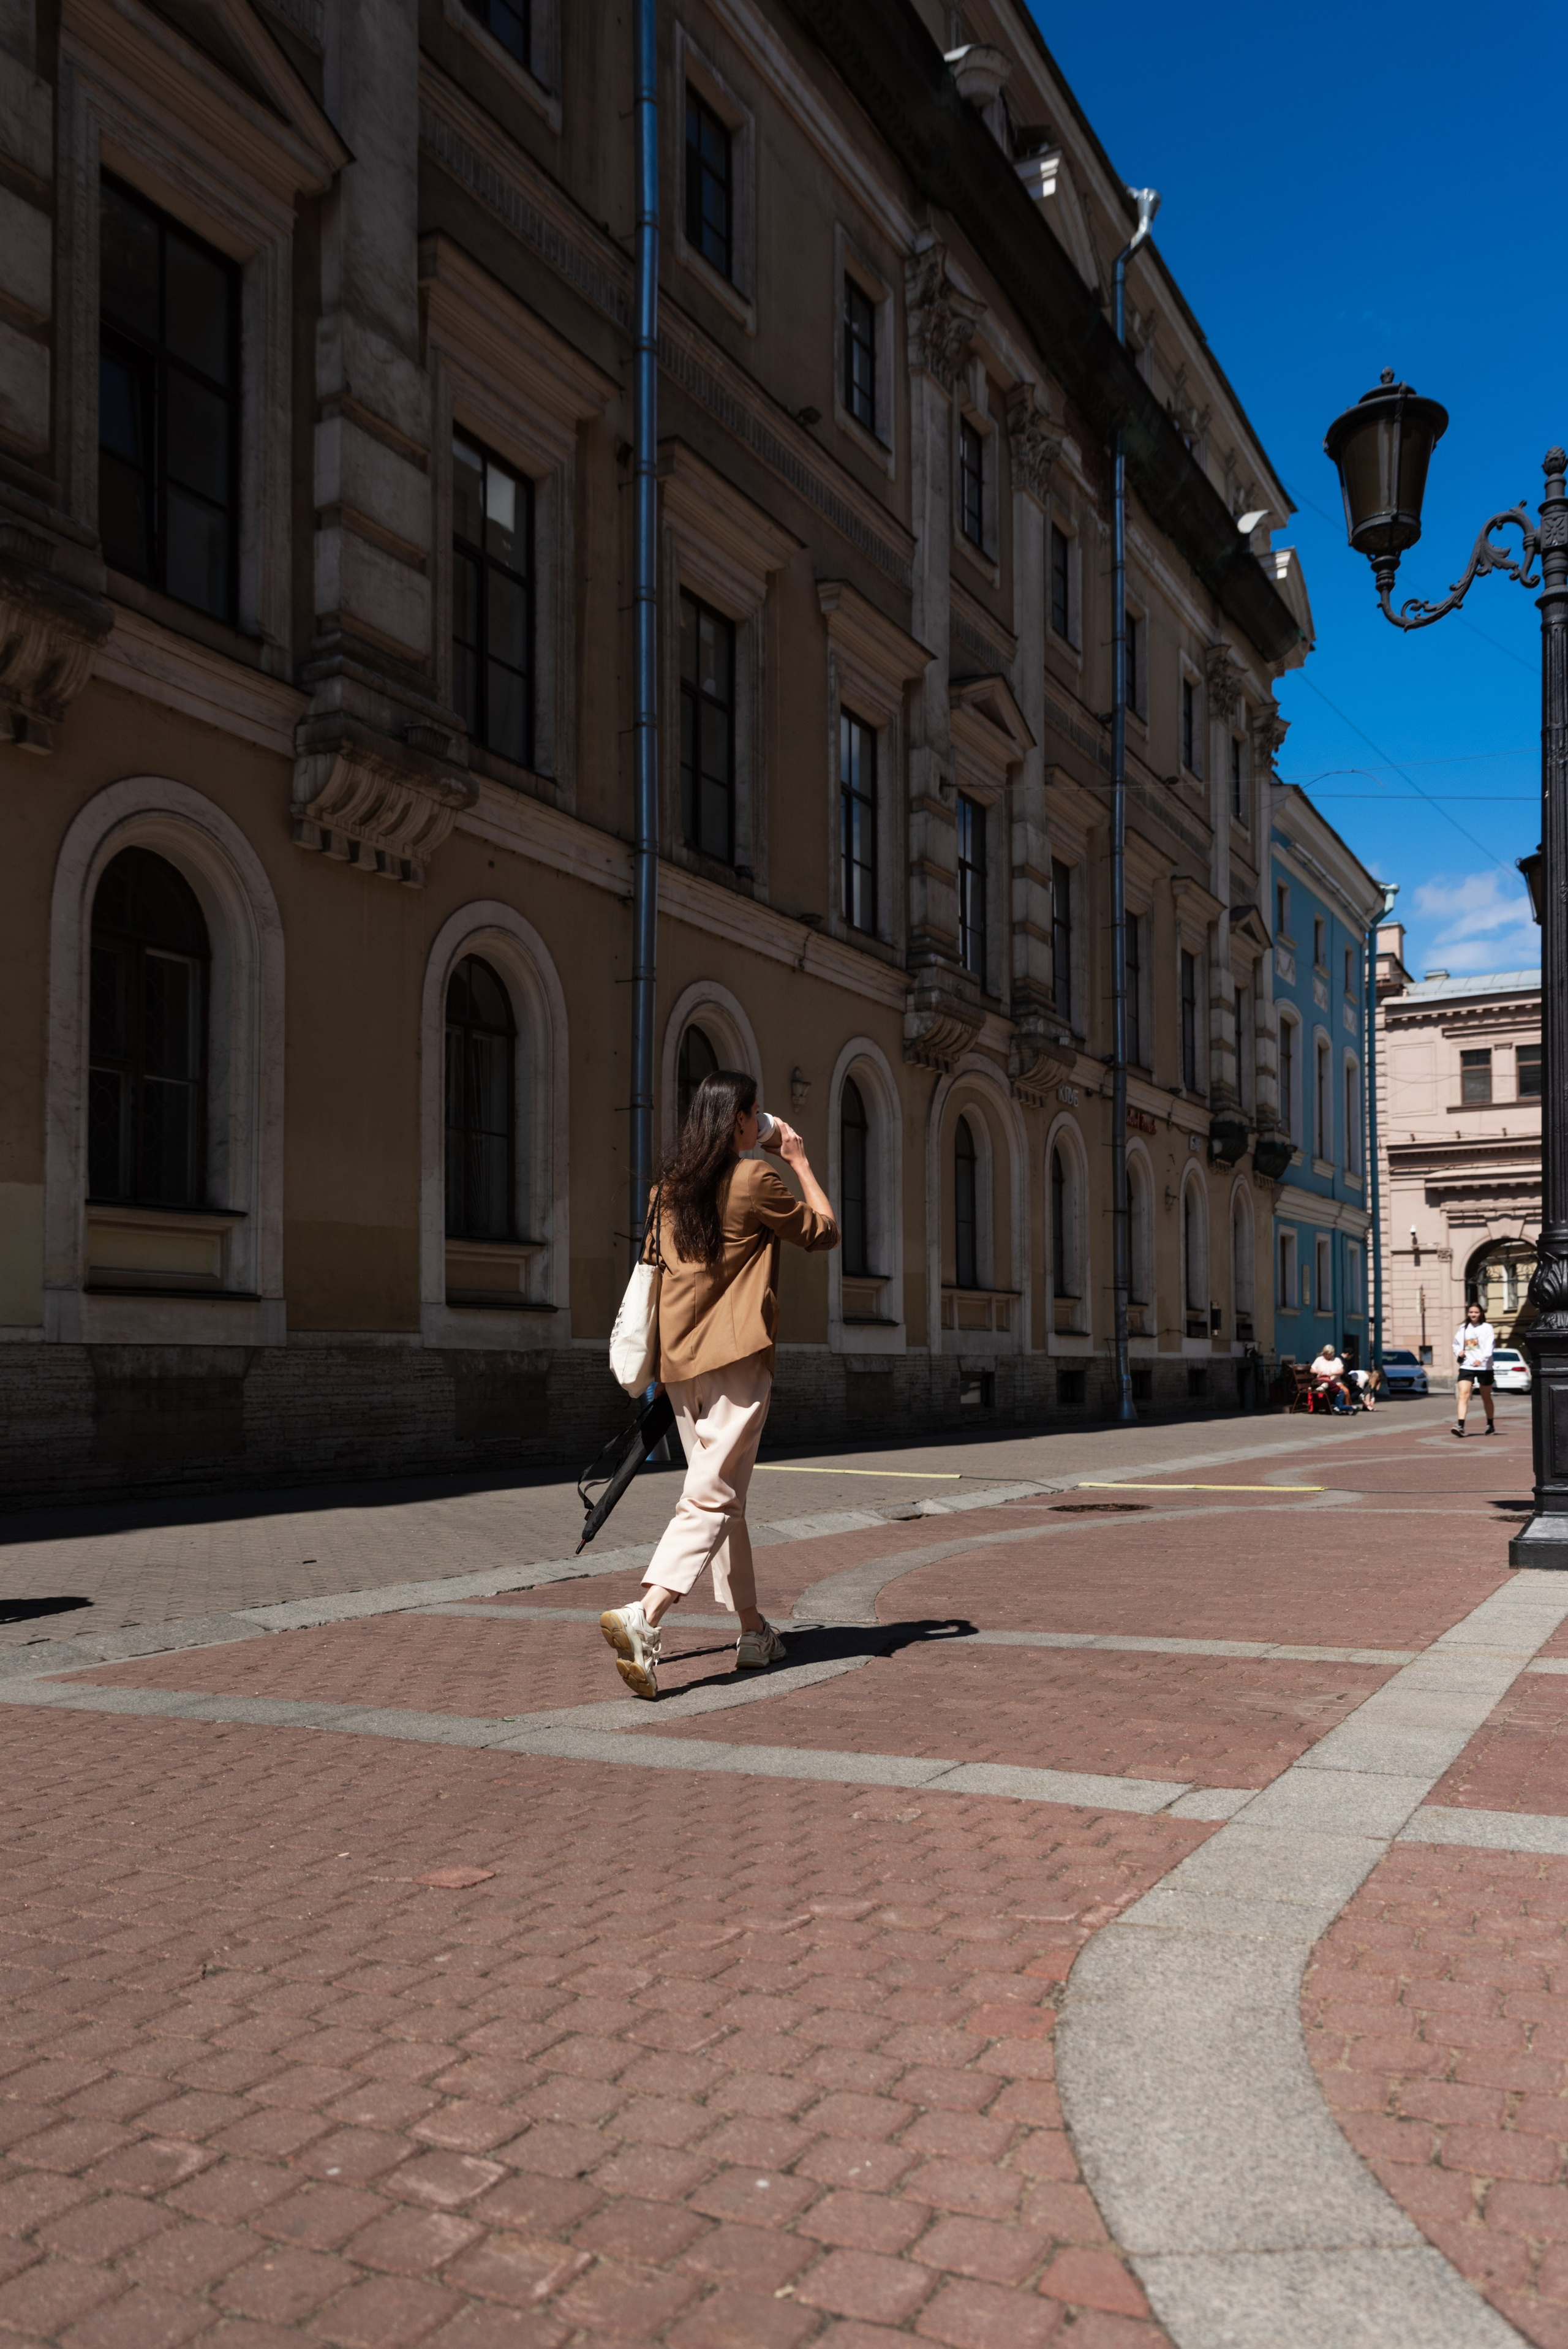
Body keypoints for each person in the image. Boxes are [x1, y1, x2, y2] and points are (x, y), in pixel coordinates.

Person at [598, 1069, 839, 1699]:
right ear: (739, 1118)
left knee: (721, 1497)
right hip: (736, 1358)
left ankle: (753, 1630)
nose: (759, 1118)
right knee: (711, 1500)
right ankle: (644, 1616)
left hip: (679, 1367)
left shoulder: (664, 1191)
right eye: (753, 1111)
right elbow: (824, 1231)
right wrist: (799, 1158)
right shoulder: (756, 1179)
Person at [1453, 1300, 1497, 1436]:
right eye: (1471, 1312)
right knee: (1463, 1394)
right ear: (1468, 1313)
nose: (1473, 1314)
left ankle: (1490, 1424)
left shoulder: (1487, 1328)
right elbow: (1455, 1344)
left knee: (1486, 1396)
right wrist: (1458, 1352)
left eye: (1476, 1312)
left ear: (1481, 1313)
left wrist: (1482, 1359)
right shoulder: (1463, 1328)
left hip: (1484, 1367)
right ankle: (1460, 1426)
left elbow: (1490, 1345)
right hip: (1467, 1366)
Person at [1310, 1341, 1353, 1412]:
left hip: (1335, 1382)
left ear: (1332, 1354)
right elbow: (1311, 1370)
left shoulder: (1337, 1360)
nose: (1327, 1356)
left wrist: (1333, 1373)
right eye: (1326, 1354)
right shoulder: (1319, 1360)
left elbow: (1341, 1371)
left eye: (1329, 1354)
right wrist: (1317, 1372)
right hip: (1322, 1382)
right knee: (1322, 1390)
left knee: (1346, 1391)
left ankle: (1346, 1409)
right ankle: (1333, 1407)